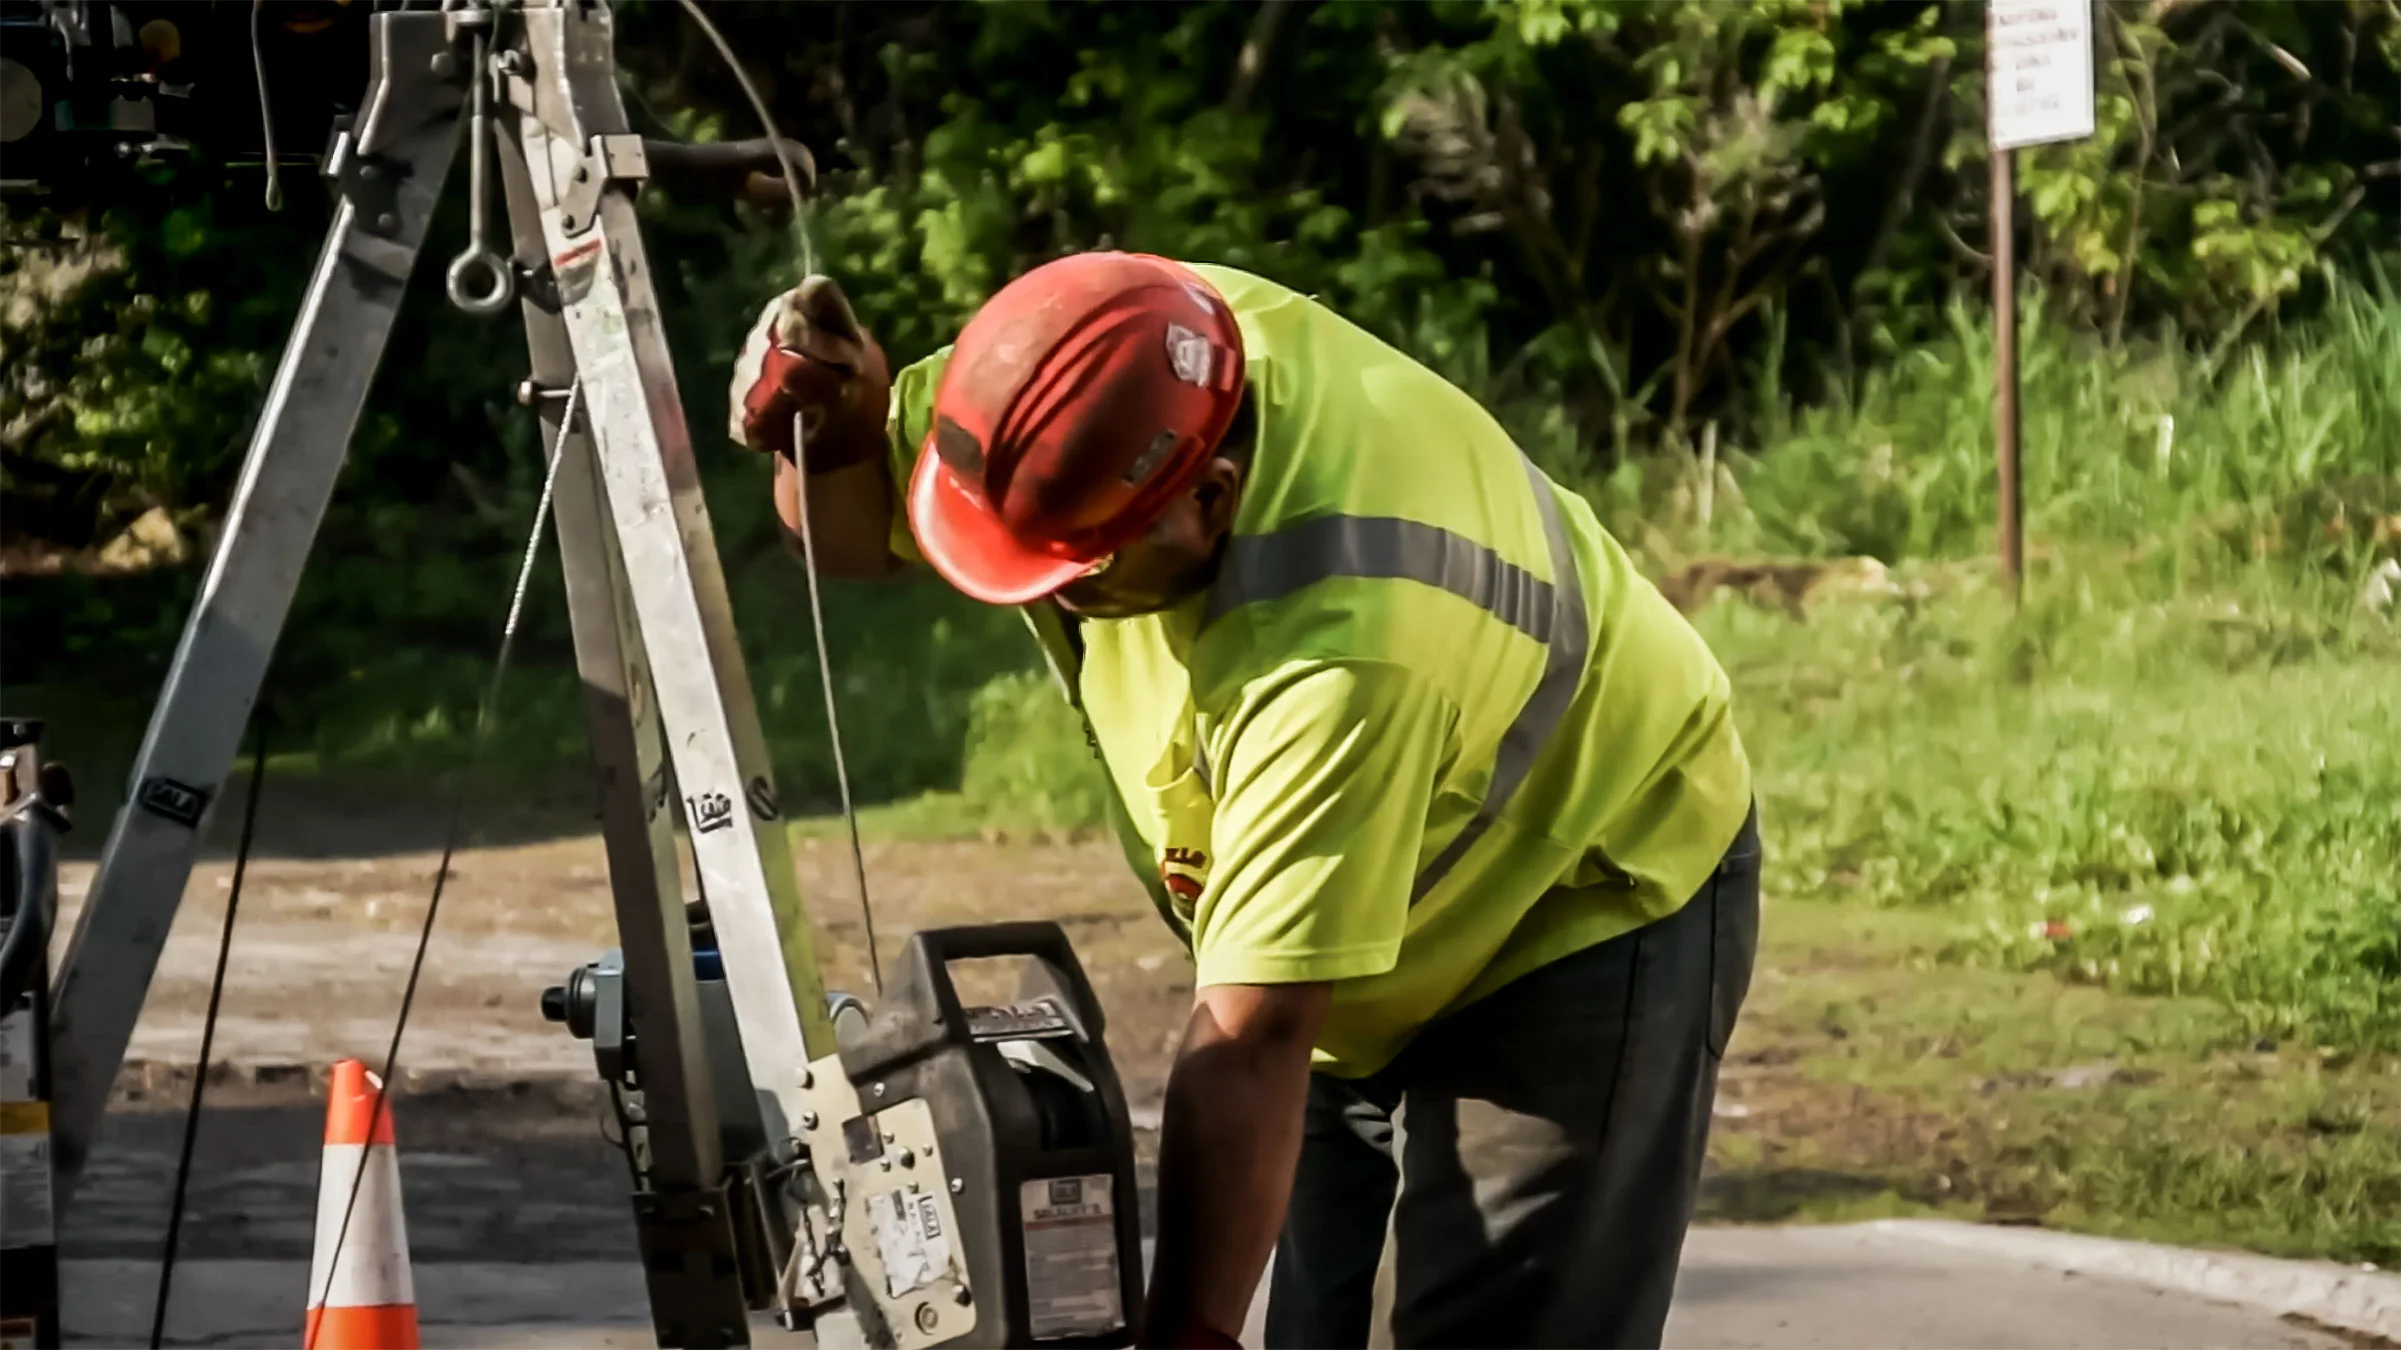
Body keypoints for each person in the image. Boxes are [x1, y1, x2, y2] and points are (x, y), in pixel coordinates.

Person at [729, 254, 1759, 1350]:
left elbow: (1252, 1037)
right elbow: (847, 533)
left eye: (1074, 573)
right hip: (1349, 914)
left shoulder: (1344, 645)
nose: (1055, 602)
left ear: (1208, 498)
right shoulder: (1072, 360)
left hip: (1574, 895)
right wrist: (831, 433)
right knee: (1304, 1319)